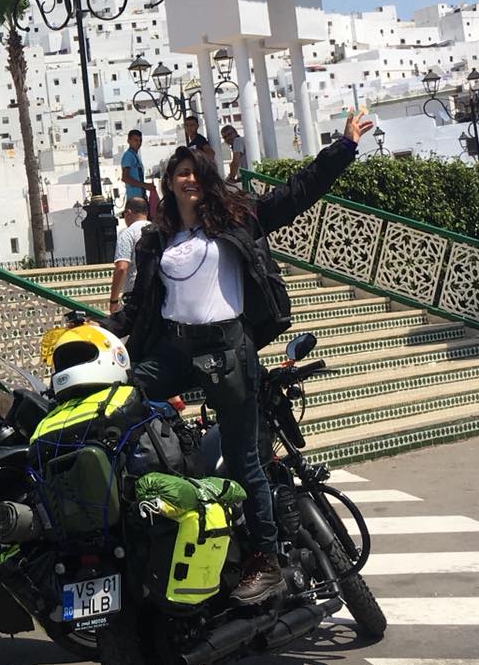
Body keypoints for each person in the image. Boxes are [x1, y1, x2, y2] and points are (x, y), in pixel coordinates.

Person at [103, 111, 373, 604]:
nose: (187, 179)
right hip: (174, 349)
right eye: (179, 173)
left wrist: (345, 147)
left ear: (205, 180)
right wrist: (98, 331)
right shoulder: (157, 240)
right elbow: (139, 307)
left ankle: (265, 560)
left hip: (227, 349)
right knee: (119, 401)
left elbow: (297, 193)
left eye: (194, 172)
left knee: (245, 457)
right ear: (168, 183)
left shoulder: (235, 220)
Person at [109, 197, 149, 314]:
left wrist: (113, 301)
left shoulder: (127, 234)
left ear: (128, 213)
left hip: (135, 296)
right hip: (157, 294)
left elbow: (121, 268)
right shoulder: (159, 231)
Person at [121, 130, 156, 203]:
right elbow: (125, 178)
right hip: (134, 200)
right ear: (128, 141)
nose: (139, 143)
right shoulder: (128, 155)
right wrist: (145, 185)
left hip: (140, 198)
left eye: (140, 140)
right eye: (136, 140)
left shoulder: (135, 155)